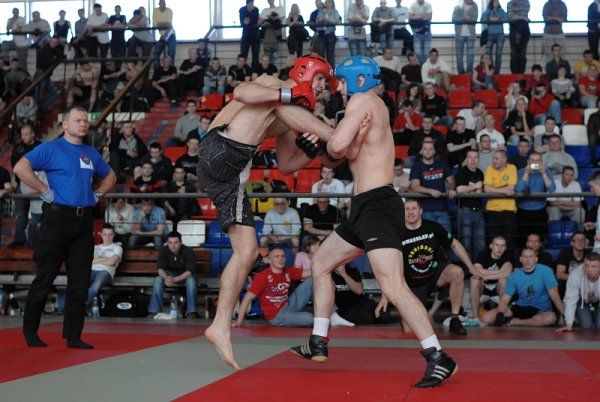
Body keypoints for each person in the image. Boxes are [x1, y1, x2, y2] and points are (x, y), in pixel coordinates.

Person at [290, 55, 458, 388]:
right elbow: (350, 153)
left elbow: (337, 147)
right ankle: (318, 340)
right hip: (364, 207)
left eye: (342, 81)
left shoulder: (362, 101)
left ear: (359, 81)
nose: (338, 87)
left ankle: (439, 357)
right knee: (321, 262)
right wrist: (337, 142)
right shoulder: (368, 106)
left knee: (392, 285)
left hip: (378, 205)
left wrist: (322, 138)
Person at [199, 54, 337, 370]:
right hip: (221, 148)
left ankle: (220, 326)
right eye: (320, 79)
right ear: (306, 72)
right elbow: (241, 92)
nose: (323, 87)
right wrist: (330, 134)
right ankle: (336, 133)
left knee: (247, 252)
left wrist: (310, 153)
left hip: (229, 173)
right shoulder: (275, 86)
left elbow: (287, 165)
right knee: (283, 103)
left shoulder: (288, 110)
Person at [13, 105, 116, 349]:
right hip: (57, 219)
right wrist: (44, 190)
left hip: (83, 221)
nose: (84, 124)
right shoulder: (51, 148)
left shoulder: (91, 152)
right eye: (78, 120)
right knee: (45, 276)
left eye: (86, 120)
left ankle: (73, 336)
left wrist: (97, 193)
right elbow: (20, 167)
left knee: (79, 281)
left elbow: (111, 176)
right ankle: (30, 331)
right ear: (65, 125)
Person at [401, 199, 476, 334]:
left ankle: (455, 319)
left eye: (414, 209)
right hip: (413, 283)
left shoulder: (432, 227)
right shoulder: (397, 233)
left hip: (434, 274)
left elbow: (454, 244)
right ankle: (422, 314)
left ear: (420, 211)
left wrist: (470, 266)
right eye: (407, 209)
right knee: (409, 330)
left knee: (457, 272)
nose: (411, 212)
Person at [482, 248, 564, 327]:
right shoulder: (514, 275)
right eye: (525, 257)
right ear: (521, 259)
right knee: (486, 318)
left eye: (530, 257)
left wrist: (565, 315)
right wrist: (500, 314)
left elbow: (555, 296)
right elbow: (505, 300)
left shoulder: (546, 271)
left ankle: (514, 322)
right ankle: (524, 321)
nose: (527, 260)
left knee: (551, 318)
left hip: (540, 310)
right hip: (520, 307)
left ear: (536, 259)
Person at [235, 247, 314, 327]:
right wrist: (239, 322)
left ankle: (298, 316)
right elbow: (247, 298)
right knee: (310, 318)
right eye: (277, 256)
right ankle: (293, 317)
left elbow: (311, 272)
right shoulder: (262, 276)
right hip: (276, 315)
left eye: (283, 256)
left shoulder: (287, 271)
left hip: (288, 305)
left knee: (311, 280)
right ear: (270, 260)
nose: (281, 259)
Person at [147, 231, 198, 318]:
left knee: (191, 281)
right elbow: (160, 269)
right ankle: (154, 311)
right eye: (170, 243)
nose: (173, 245)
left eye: (176, 242)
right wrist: (166, 278)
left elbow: (190, 272)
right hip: (169, 275)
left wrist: (174, 280)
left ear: (181, 242)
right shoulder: (164, 250)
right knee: (158, 280)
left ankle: (192, 312)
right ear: (167, 243)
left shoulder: (188, 251)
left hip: (184, 276)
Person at [409, 141, 455, 232]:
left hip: (442, 209)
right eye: (425, 149)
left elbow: (451, 181)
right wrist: (431, 191)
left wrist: (451, 189)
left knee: (447, 238)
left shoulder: (442, 165)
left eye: (430, 149)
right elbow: (415, 187)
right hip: (426, 210)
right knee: (428, 238)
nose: (428, 151)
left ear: (434, 151)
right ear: (421, 151)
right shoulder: (416, 167)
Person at [9, 125, 41, 249]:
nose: (24, 137)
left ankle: (36, 241)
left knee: (37, 215)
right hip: (21, 184)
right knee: (21, 214)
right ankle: (19, 240)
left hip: (37, 184)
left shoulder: (41, 147)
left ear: (33, 134)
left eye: (26, 134)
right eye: (22, 134)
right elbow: (14, 166)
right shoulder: (18, 148)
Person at [515, 151, 556, 245]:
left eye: (538, 160)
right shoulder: (521, 172)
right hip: (523, 210)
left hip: (540, 210)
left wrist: (544, 174)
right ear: (528, 161)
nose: (535, 162)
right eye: (533, 160)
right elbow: (519, 189)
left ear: (541, 162)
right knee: (523, 241)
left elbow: (552, 189)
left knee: (539, 240)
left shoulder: (547, 172)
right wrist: (526, 173)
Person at [470, 236, 513, 320]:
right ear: (491, 246)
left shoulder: (507, 255)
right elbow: (476, 270)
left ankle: (502, 315)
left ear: (505, 247)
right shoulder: (483, 254)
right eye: (497, 245)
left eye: (502, 245)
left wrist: (485, 276)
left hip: (497, 289)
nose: (499, 248)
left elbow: (507, 274)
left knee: (503, 280)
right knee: (475, 280)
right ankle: (475, 317)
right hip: (483, 288)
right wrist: (500, 272)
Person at [557, 251, 600, 331]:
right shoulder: (575, 274)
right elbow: (570, 299)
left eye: (593, 266)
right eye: (586, 265)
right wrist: (569, 323)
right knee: (586, 326)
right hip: (583, 301)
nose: (589, 269)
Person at [456, 149, 486, 260]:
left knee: (480, 244)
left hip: (478, 211)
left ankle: (478, 267)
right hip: (465, 211)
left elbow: (481, 190)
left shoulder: (480, 173)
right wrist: (475, 187)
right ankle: (466, 268)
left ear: (479, 159)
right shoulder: (462, 172)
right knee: (466, 244)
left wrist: (477, 189)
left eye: (475, 157)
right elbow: (459, 189)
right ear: (467, 159)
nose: (473, 160)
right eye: (470, 157)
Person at [484, 149, 518, 248]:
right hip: (492, 210)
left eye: (496, 158)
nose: (494, 161)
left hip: (508, 210)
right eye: (493, 158)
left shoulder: (512, 168)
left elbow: (511, 188)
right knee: (492, 241)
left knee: (509, 241)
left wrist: (494, 189)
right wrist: (504, 190)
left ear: (504, 159)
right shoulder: (490, 168)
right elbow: (486, 189)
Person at [87, 223, 122, 309]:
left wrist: (96, 260)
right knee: (79, 285)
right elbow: (88, 261)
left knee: (95, 287)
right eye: (105, 234)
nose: (107, 237)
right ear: (101, 234)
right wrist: (107, 259)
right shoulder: (95, 247)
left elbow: (112, 262)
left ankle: (81, 308)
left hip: (105, 272)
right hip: (91, 270)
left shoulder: (117, 248)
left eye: (110, 234)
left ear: (113, 235)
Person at [555, 232, 588, 299]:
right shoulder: (565, 253)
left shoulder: (589, 254)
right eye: (577, 240)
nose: (580, 242)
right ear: (572, 243)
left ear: (585, 243)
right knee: (560, 283)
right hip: (570, 282)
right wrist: (578, 279)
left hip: (586, 283)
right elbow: (559, 274)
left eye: (582, 240)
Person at [481, 0, 509, 75]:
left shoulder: (501, 11)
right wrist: (489, 19)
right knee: (488, 54)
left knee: (498, 54)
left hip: (500, 34)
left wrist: (499, 19)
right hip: (490, 34)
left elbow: (507, 18)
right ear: (491, 3)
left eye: (497, 2)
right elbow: (482, 19)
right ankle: (490, 69)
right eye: (494, 2)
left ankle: (497, 72)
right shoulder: (488, 11)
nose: (496, 3)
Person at [452, 0, 478, 75]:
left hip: (471, 34)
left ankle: (469, 72)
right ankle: (461, 72)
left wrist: (466, 18)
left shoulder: (474, 6)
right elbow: (454, 19)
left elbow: (474, 18)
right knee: (459, 55)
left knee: (470, 54)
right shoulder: (458, 6)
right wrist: (464, 18)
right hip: (459, 34)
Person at [315, 0, 341, 69]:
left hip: (330, 34)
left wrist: (327, 20)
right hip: (321, 34)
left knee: (330, 54)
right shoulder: (321, 11)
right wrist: (320, 20)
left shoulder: (335, 12)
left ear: (332, 3)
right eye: (326, 2)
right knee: (320, 53)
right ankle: (322, 69)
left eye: (329, 2)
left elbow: (336, 21)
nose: (327, 3)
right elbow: (317, 20)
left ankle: (331, 70)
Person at [507, 0, 531, 74]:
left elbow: (524, 13)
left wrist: (517, 16)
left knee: (522, 52)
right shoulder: (509, 4)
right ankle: (514, 71)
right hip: (513, 31)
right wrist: (522, 17)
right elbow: (511, 17)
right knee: (514, 53)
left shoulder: (526, 2)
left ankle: (521, 71)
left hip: (524, 31)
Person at [153, 0, 176, 70]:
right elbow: (155, 25)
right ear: (159, 4)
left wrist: (160, 24)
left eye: (164, 4)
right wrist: (165, 24)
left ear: (165, 4)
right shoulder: (155, 11)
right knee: (155, 54)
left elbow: (169, 24)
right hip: (162, 36)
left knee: (171, 54)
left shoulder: (169, 11)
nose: (163, 5)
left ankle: (171, 71)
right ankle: (158, 72)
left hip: (171, 34)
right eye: (161, 3)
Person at [409, 0, 433, 64]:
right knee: (417, 52)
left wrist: (416, 17)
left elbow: (429, 17)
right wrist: (422, 17)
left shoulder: (428, 4)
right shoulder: (413, 5)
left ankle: (423, 65)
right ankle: (423, 65)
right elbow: (410, 17)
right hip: (417, 32)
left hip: (427, 32)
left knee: (426, 53)